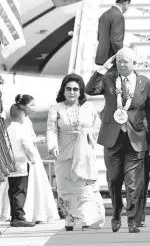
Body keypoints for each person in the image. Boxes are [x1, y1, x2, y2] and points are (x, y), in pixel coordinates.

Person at [85, 47, 150, 233]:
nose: (121, 64)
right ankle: (117, 210)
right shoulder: (108, 79)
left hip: (137, 138)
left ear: (134, 63)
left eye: (125, 61)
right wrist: (103, 68)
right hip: (112, 137)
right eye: (118, 61)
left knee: (133, 182)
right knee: (115, 179)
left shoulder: (145, 83)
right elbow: (90, 89)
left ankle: (132, 220)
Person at [47, 73, 105, 231]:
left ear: (80, 92)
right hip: (64, 152)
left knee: (84, 185)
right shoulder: (56, 108)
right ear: (63, 90)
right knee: (66, 186)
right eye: (68, 89)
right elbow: (51, 129)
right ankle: (69, 217)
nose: (72, 92)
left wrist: (86, 133)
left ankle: (85, 217)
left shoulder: (89, 107)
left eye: (75, 89)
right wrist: (52, 146)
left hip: (84, 152)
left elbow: (97, 126)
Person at [14, 94, 59, 223]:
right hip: (30, 155)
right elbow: (25, 139)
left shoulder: (25, 119)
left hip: (32, 153)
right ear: (23, 106)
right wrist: (37, 140)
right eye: (31, 105)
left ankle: (34, 212)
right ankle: (32, 212)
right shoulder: (23, 120)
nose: (34, 108)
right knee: (33, 183)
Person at [6, 104, 36, 227]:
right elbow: (27, 146)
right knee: (20, 190)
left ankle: (14, 216)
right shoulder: (21, 129)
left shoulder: (6, 128)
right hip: (21, 163)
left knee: (12, 190)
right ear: (22, 115)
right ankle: (19, 216)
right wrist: (33, 159)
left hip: (9, 163)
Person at [95, 0, 131, 66]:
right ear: (126, 3)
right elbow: (116, 41)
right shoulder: (118, 16)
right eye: (129, 5)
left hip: (102, 59)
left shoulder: (104, 15)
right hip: (112, 59)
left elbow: (99, 37)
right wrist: (123, 58)